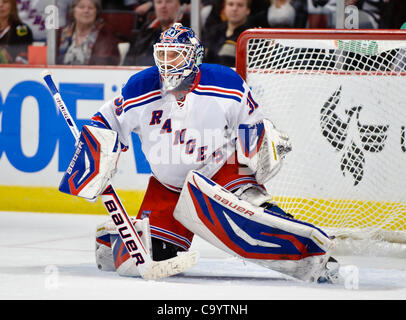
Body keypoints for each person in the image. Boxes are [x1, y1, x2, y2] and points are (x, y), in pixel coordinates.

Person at [59, 23, 340, 282]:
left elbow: (251, 125)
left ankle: (312, 255)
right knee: (151, 255)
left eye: (176, 56)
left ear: (194, 58)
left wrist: (260, 150)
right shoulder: (140, 88)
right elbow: (106, 122)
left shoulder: (226, 83)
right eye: (164, 55)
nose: (168, 63)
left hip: (221, 171)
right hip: (168, 187)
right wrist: (94, 151)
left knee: (254, 216)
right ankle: (111, 240)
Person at [123, 0, 189, 66]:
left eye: (169, 1)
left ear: (180, 5)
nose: (163, 6)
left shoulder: (190, 30)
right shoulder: (147, 29)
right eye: (159, 2)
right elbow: (129, 61)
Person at [57, 0, 120, 65]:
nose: (86, 11)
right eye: (81, 7)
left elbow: (104, 64)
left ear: (96, 11)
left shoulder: (105, 34)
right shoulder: (62, 33)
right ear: (73, 10)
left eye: (90, 8)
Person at [202, 0, 252, 67]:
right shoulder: (213, 31)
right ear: (224, 8)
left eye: (240, 5)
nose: (234, 9)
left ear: (248, 10)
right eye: (230, 4)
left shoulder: (252, 37)